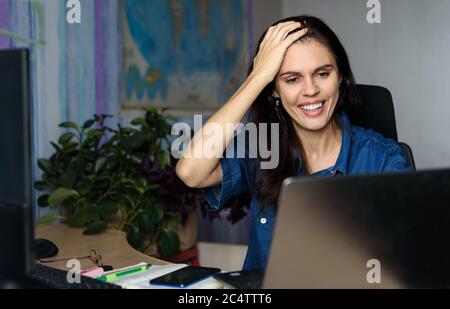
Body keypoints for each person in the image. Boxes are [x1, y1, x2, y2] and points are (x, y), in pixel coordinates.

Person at [176, 15, 411, 270]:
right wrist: (258, 78)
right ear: (274, 90)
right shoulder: (264, 146)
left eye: (322, 74)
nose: (310, 90)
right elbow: (191, 172)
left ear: (340, 76)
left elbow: (402, 263)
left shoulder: (383, 159)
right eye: (292, 79)